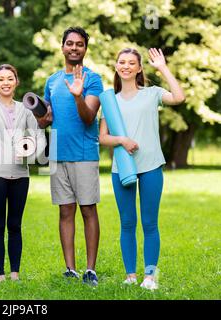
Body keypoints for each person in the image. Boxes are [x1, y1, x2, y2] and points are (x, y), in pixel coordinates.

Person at [99, 48, 185, 290]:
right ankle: (130, 276)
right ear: (116, 66)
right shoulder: (109, 101)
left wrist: (163, 68)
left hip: (150, 166)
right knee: (127, 222)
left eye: (131, 63)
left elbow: (179, 97)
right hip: (122, 168)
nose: (126, 66)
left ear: (138, 68)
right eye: (121, 62)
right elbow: (102, 137)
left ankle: (149, 277)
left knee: (149, 223)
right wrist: (122, 141)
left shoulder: (152, 94)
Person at [36, 27, 103, 286]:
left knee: (87, 209)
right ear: (62, 47)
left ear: (85, 49)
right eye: (70, 43)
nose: (74, 48)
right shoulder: (52, 81)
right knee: (65, 211)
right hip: (58, 154)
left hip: (84, 154)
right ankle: (71, 269)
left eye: (79, 44)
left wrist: (78, 96)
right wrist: (41, 118)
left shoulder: (93, 80)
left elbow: (88, 118)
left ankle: (90, 270)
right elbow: (44, 120)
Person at [0, 64, 47, 282]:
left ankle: (15, 273)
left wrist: (29, 152)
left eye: (10, 78)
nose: (5, 82)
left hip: (20, 173)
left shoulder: (25, 109)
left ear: (16, 82)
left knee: (15, 225)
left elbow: (37, 135)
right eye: (1, 79)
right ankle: (0, 274)